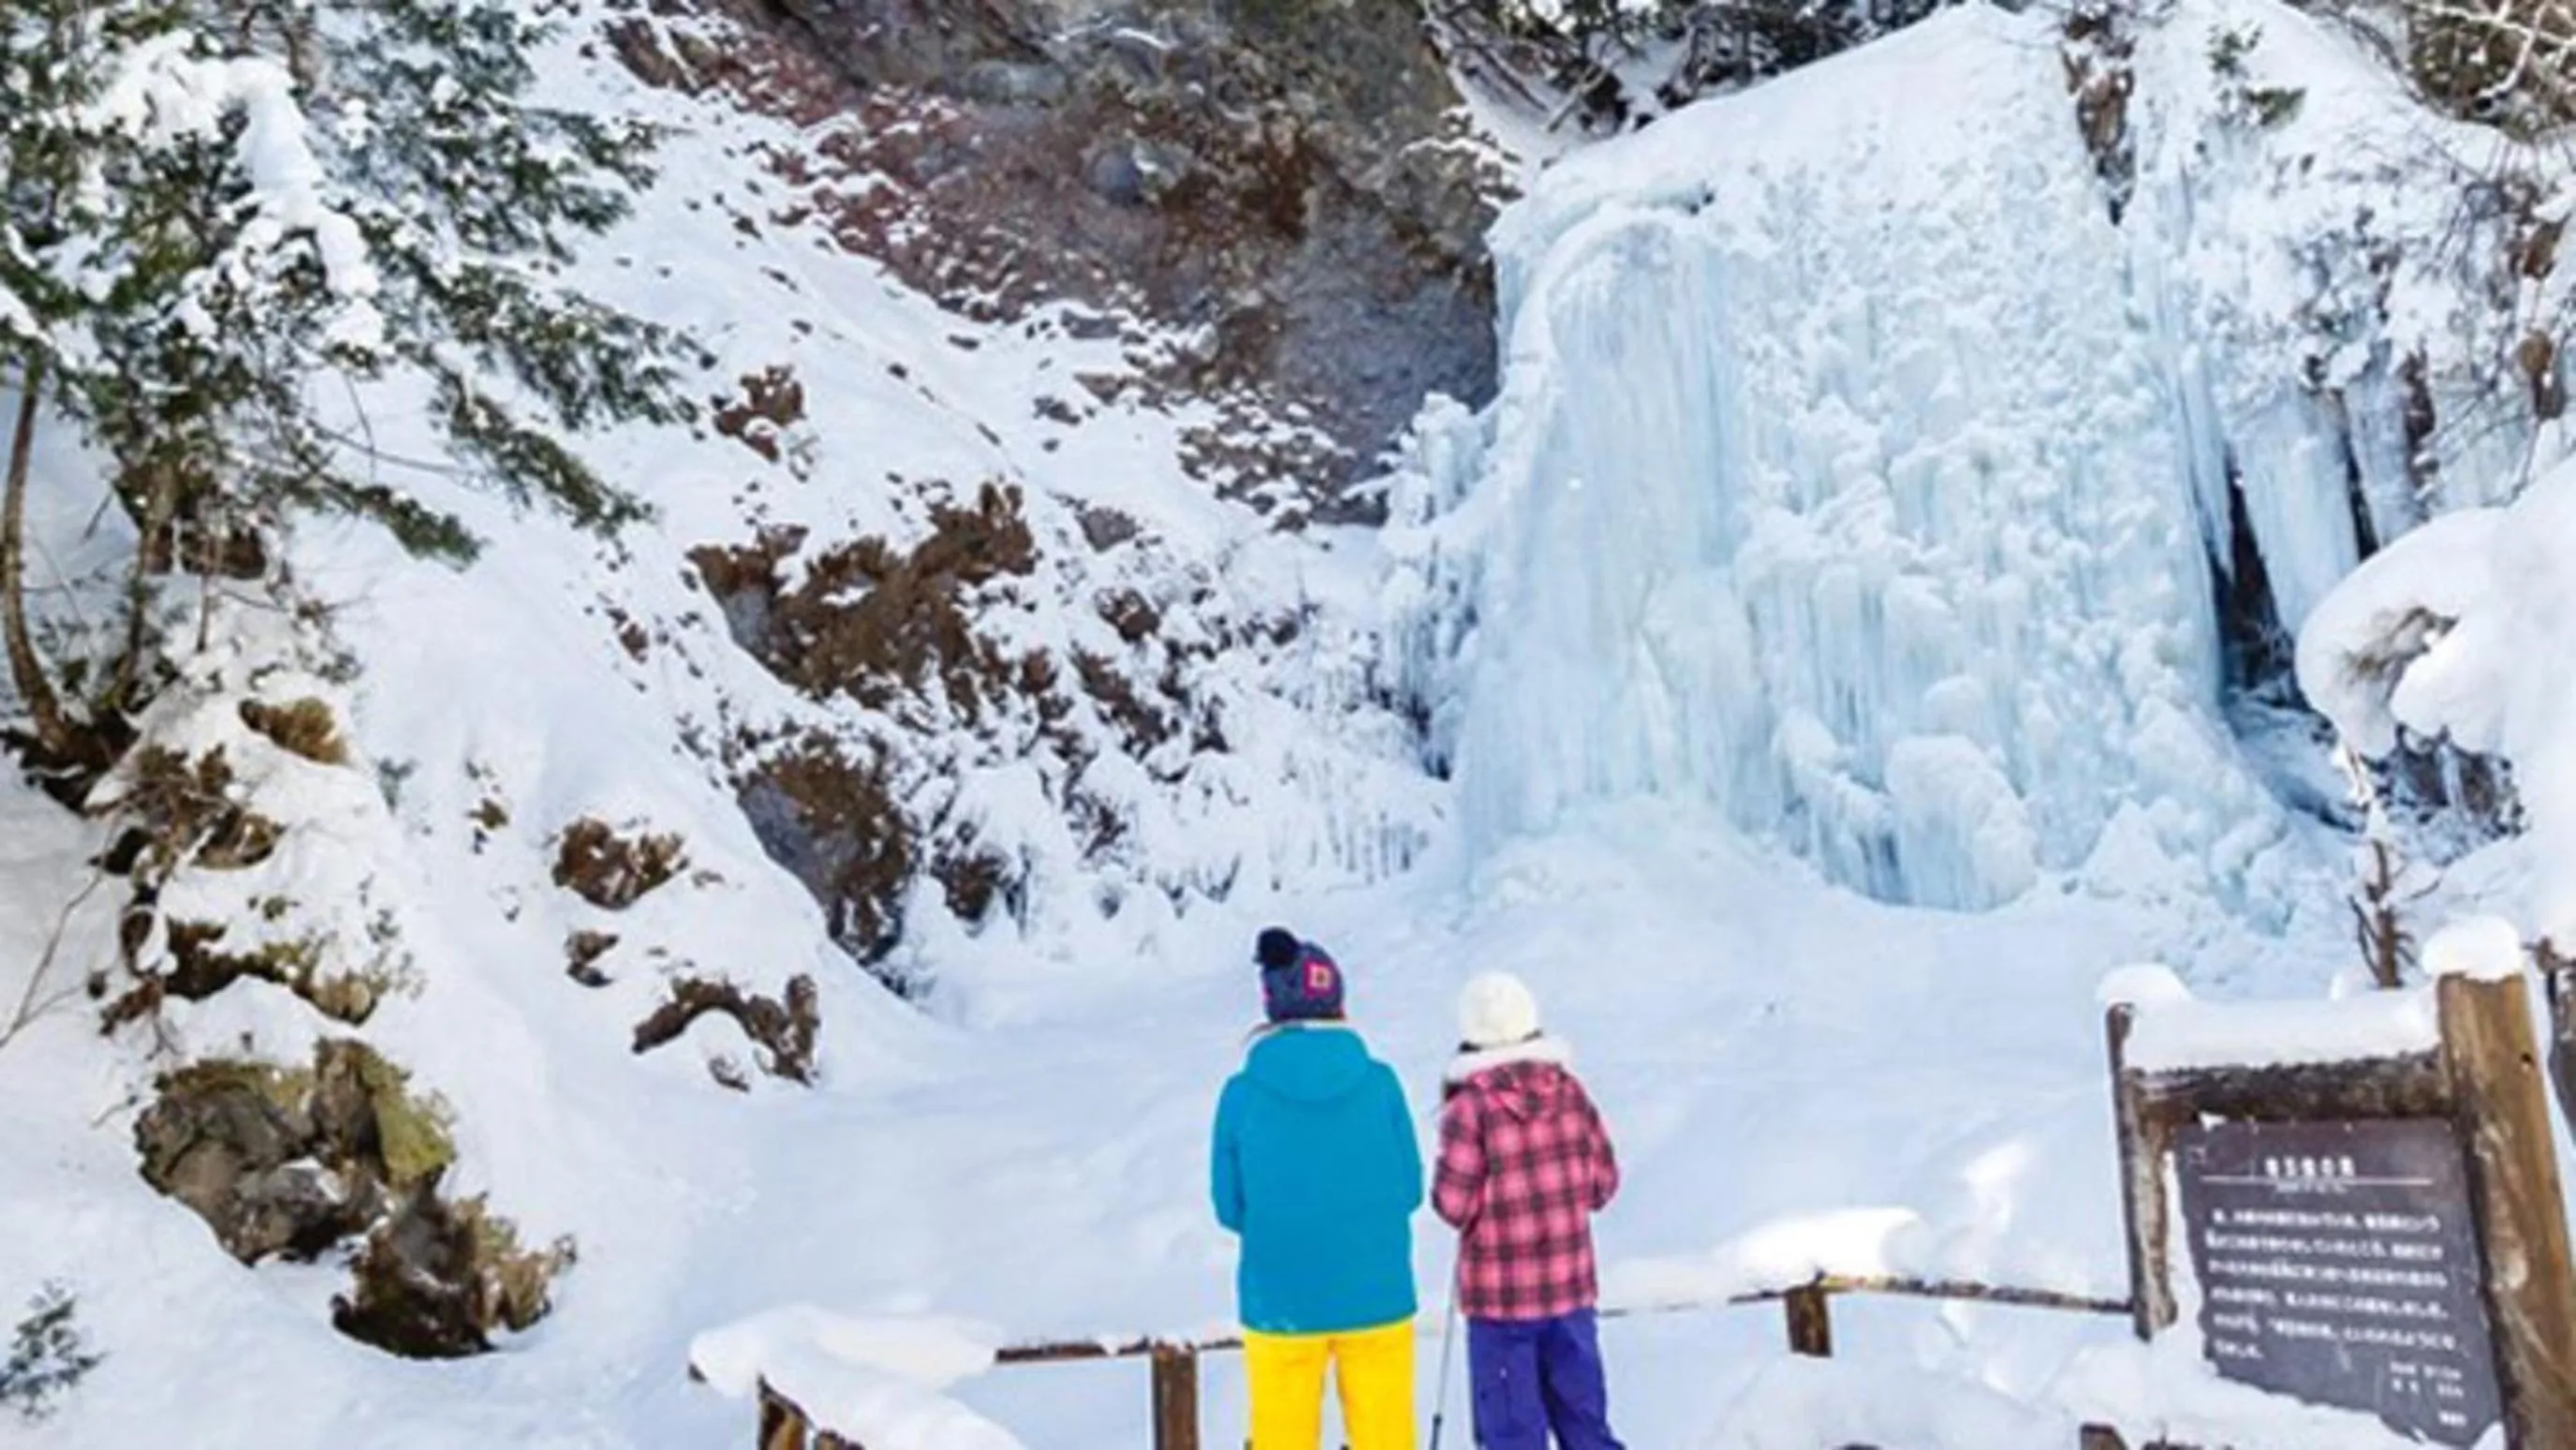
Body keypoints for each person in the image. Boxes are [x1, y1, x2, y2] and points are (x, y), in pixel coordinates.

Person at [1211, 926, 1425, 1450]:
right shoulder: (1381, 1083)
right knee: (1386, 1438)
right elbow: (1410, 1189)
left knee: (1282, 1438)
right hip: (1378, 1292)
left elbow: (1230, 1207)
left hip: (1280, 1296)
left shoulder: (1241, 1094)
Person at [1433, 971, 1625, 1450]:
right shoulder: (1571, 1093)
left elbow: (1452, 1204)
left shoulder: (1469, 1109)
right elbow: (1602, 1184)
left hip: (1501, 1306)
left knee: (1512, 1437)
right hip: (1571, 1294)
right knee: (1586, 1428)